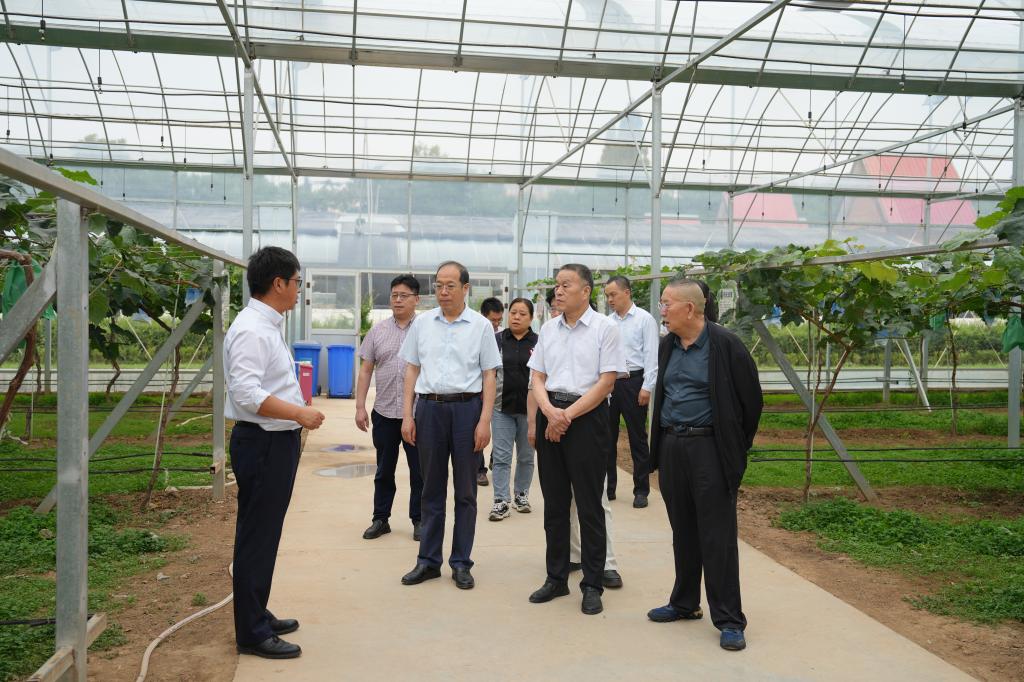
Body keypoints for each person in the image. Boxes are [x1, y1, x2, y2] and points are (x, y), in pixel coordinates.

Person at [648, 278, 763, 652]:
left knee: (717, 535)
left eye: (667, 304)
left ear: (689, 309)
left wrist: (733, 447)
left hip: (709, 448)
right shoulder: (667, 345)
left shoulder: (725, 344)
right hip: (673, 445)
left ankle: (729, 619)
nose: (662, 311)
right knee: (682, 529)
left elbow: (751, 402)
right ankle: (684, 602)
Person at [225, 246, 325, 660]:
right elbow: (246, 393)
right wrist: (299, 413)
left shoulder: (267, 325)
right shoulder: (252, 330)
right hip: (263, 442)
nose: (300, 289)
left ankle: (257, 612)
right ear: (278, 283)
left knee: (264, 533)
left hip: (273, 442)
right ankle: (251, 632)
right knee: (257, 535)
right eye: (297, 281)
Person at [527, 264, 625, 616]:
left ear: (586, 291)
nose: (558, 290)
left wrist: (565, 416)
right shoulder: (548, 329)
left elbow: (606, 382)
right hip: (551, 412)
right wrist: (549, 412)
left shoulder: (605, 328)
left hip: (587, 418)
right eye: (557, 285)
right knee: (554, 504)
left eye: (566, 285)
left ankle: (592, 584)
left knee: (589, 505)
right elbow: (537, 377)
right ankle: (556, 578)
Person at [398, 261, 501, 590]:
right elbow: (412, 370)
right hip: (429, 410)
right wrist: (407, 415)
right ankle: (428, 561)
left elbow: (489, 375)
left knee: (466, 492)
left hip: (467, 411)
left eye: (450, 285)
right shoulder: (422, 323)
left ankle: (460, 562)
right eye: (439, 285)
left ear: (465, 288)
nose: (443, 291)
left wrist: (484, 421)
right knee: (431, 489)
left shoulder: (481, 326)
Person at [355, 274, 424, 542]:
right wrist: (360, 407)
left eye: (404, 295)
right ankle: (380, 519)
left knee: (419, 471)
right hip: (384, 412)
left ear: (417, 299)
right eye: (394, 295)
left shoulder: (426, 330)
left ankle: (419, 519)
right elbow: (366, 370)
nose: (397, 300)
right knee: (384, 470)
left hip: (417, 415)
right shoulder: (378, 331)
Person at [603, 275, 659, 507]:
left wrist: (647, 387)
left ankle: (641, 490)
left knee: (637, 438)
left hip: (634, 382)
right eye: (607, 296)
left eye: (613, 294)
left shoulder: (645, 320)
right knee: (607, 437)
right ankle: (609, 488)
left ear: (627, 293)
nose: (610, 300)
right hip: (609, 383)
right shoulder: (607, 322)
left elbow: (651, 356)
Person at [488, 297, 537, 521]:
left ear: (531, 318)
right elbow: (489, 372)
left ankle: (521, 495)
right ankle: (500, 500)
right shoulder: (497, 340)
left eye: (522, 314)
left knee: (526, 456)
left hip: (530, 410)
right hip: (501, 408)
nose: (516, 317)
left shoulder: (539, 342)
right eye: (514, 313)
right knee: (501, 457)